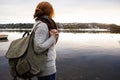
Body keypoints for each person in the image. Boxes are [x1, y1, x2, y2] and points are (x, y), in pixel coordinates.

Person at [33, 1, 59, 80]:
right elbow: (38, 48)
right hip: (46, 69)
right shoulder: (43, 25)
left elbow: (51, 44)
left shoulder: (43, 23)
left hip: (45, 67)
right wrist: (52, 38)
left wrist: (54, 37)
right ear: (50, 11)